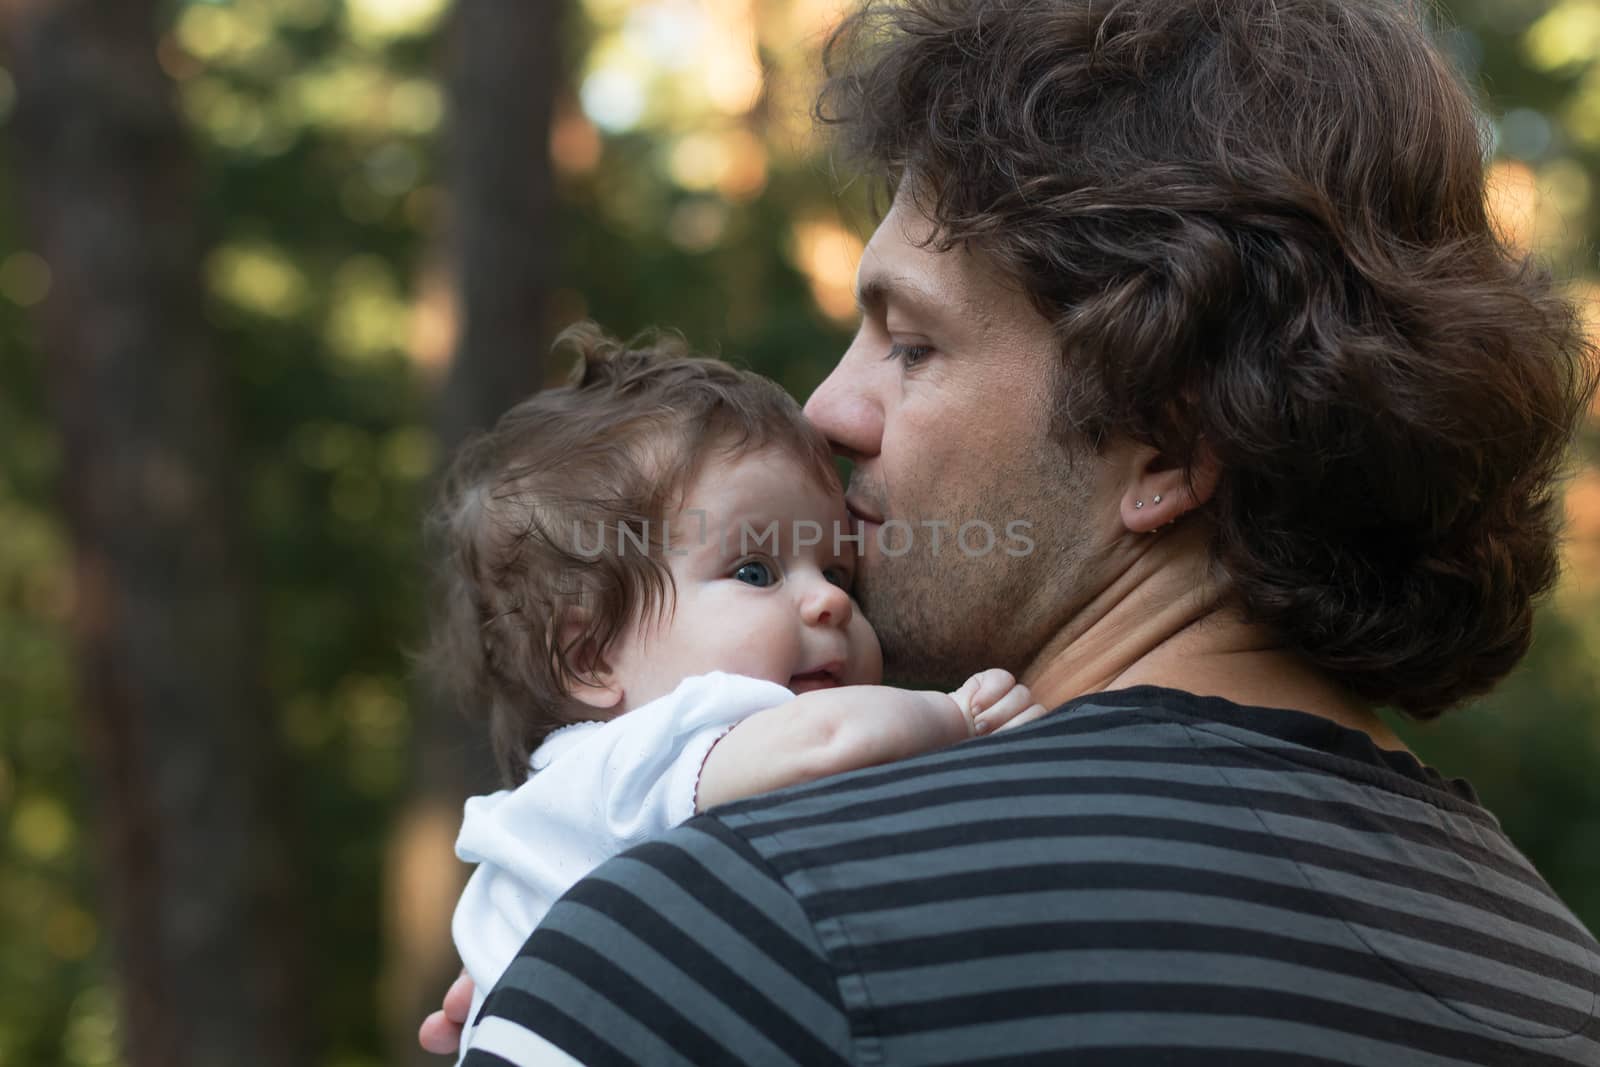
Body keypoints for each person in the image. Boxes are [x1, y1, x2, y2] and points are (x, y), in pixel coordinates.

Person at [427, 0, 1600, 1062]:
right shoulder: (1557, 978)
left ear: (1167, 449)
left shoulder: (761, 931)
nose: (830, 411)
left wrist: (608, 977)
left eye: (911, 343)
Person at [427, 323, 1046, 1054]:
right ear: (591, 654)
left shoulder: (589, 793)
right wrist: (959, 716)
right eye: (755, 571)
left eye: (837, 569)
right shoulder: (644, 753)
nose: (832, 602)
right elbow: (829, 739)